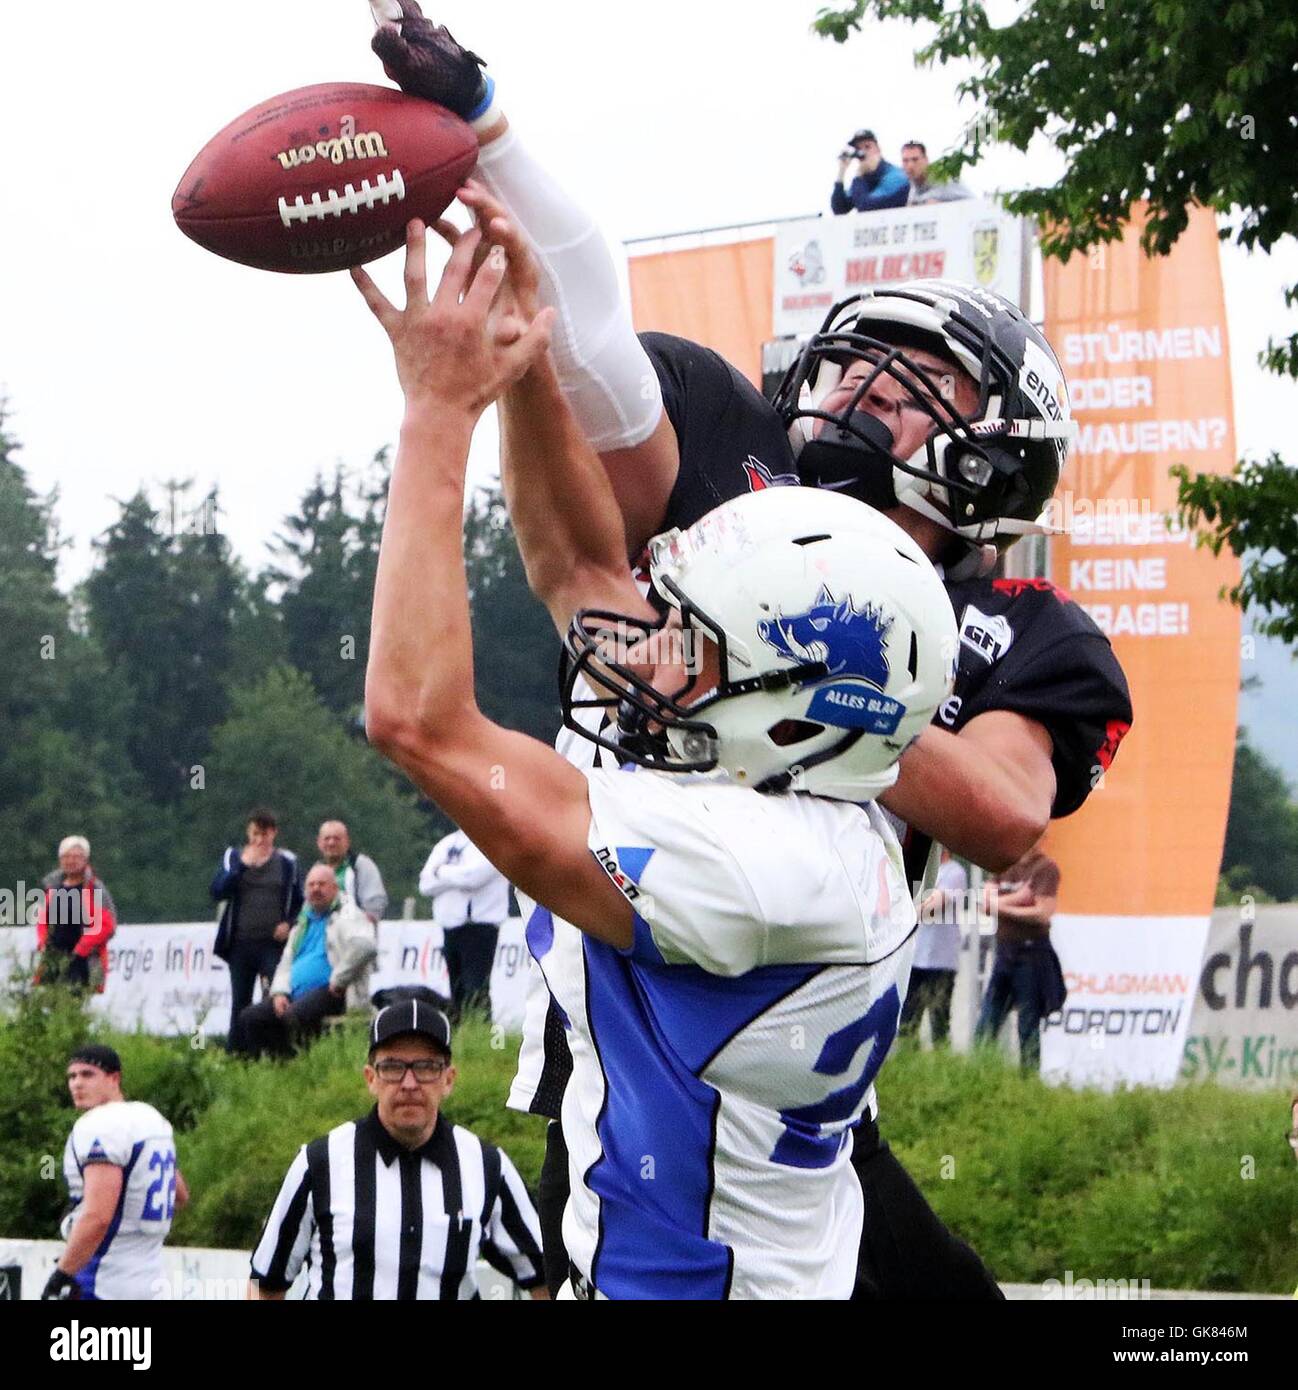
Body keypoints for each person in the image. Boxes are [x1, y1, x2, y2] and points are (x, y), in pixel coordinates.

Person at [365, 3, 1131, 1299]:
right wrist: (496, 181)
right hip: (676, 999)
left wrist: (761, 671)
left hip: (732, 950)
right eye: (861, 365)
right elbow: (582, 547)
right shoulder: (739, 469)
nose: (858, 389)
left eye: (910, 380)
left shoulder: (994, 650)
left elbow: (1003, 810)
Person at [352, 199, 959, 1298]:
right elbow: (578, 567)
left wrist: (436, 413)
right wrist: (526, 361)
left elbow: (419, 720)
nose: (649, 646)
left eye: (691, 635)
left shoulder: (750, 864)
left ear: (791, 699)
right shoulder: (793, 774)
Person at [251, 1000, 546, 1299]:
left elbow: (547, 1274)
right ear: (371, 1078)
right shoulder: (319, 1163)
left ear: (448, 1079)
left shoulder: (486, 1167)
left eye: (426, 1067)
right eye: (392, 1067)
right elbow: (266, 1283)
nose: (409, 1083)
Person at [43, 1044, 188, 1301]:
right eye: (72, 1076)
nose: (76, 1084)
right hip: (151, 1279)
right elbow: (180, 1193)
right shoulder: (150, 1118)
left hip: (102, 1278)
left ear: (114, 1078)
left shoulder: (100, 1125)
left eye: (87, 1075)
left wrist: (62, 1274)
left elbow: (98, 1216)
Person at [235, 863, 378, 1060]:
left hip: (333, 992)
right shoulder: (302, 924)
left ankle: (301, 1066)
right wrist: (278, 993)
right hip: (294, 994)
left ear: (335, 889)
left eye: (322, 884)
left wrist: (339, 979)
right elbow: (285, 963)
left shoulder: (348, 916)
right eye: (311, 885)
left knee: (294, 1016)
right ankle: (277, 1068)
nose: (316, 889)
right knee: (250, 1017)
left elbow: (366, 946)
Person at [210, 808, 303, 1052]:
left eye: (264, 834)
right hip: (240, 942)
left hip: (272, 943)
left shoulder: (287, 863)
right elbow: (218, 890)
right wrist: (241, 868)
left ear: (273, 834)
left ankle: (276, 1050)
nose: (259, 840)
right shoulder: (234, 857)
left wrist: (289, 923)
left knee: (275, 996)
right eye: (254, 834)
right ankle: (236, 1054)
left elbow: (300, 901)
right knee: (240, 1000)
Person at [974, 844, 1065, 1072]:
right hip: (1004, 952)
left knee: (1027, 1025)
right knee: (987, 1024)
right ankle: (979, 1076)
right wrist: (1020, 898)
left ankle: (1028, 1081)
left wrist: (999, 905)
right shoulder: (1004, 866)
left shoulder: (1045, 868)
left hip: (1031, 954)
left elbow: (1042, 913)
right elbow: (983, 904)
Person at [419, 827, 510, 1018]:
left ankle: (484, 1035)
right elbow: (425, 884)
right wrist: (454, 876)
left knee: (475, 988)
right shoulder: (446, 843)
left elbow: (473, 878)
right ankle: (459, 1035)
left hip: (480, 926)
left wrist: (440, 872)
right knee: (456, 989)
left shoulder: (492, 841)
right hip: (451, 926)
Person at [899, 848, 967, 1045]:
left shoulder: (955, 873)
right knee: (907, 1023)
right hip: (916, 959)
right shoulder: (919, 870)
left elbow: (933, 906)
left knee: (939, 1023)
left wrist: (902, 913)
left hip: (941, 961)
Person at [34, 836, 117, 993]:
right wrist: (43, 943)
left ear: (85, 860)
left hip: (83, 960)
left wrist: (81, 949)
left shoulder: (95, 889)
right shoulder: (52, 889)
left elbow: (107, 926)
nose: (70, 861)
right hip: (53, 958)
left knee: (72, 1007)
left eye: (76, 857)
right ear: (60, 860)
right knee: (49, 1006)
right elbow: (42, 921)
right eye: (66, 856)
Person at [317, 818, 389, 924]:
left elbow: (375, 903)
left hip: (354, 933)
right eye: (327, 839)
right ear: (319, 842)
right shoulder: (317, 870)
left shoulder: (361, 865)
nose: (331, 843)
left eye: (337, 838)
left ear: (347, 842)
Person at [831, 128, 911, 215]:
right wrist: (841, 171)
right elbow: (839, 209)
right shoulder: (864, 179)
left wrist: (858, 176)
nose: (863, 152)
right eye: (858, 149)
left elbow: (867, 208)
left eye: (867, 147)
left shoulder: (895, 175)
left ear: (878, 149)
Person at [901, 141, 973, 205]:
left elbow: (973, 203)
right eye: (905, 161)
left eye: (915, 160)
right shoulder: (913, 186)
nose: (910, 165)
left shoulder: (944, 179)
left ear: (926, 160)